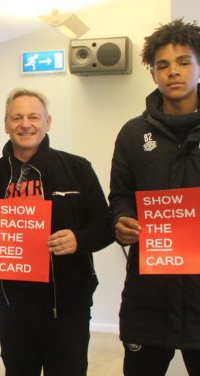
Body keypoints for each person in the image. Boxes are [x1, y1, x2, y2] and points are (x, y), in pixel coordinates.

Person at [0, 88, 112, 375]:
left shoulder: (77, 169)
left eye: (33, 116)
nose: (25, 124)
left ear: (48, 122)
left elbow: (105, 225)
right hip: (12, 305)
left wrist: (78, 240)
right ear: (6, 124)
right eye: (16, 118)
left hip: (68, 305)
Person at [109, 19, 200, 375]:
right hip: (149, 297)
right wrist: (121, 221)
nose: (172, 72)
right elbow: (119, 196)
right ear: (153, 74)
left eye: (183, 61)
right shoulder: (133, 134)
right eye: (162, 65)